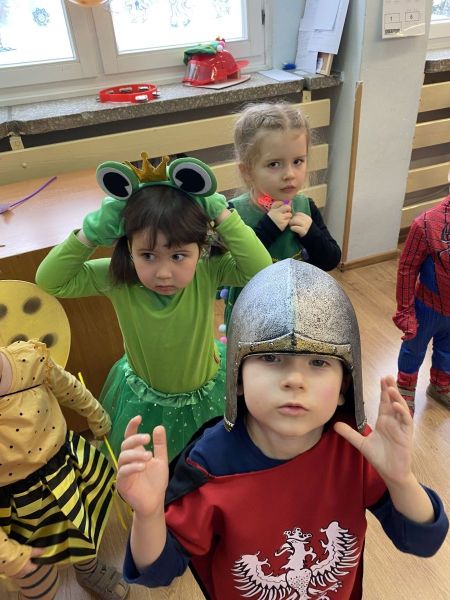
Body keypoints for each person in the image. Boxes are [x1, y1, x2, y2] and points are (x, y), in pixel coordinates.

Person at [116, 260, 448, 600]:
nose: (294, 380)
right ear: (237, 378)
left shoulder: (356, 449)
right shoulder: (209, 464)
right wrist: (149, 515)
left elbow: (423, 540)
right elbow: (157, 571)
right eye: (271, 358)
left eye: (318, 362)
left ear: (344, 386)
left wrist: (400, 479)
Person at [36, 154, 271, 461]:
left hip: (206, 389)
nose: (163, 273)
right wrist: (89, 233)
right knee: (153, 465)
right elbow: (50, 280)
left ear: (201, 249)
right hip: (146, 398)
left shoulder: (208, 270)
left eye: (178, 256)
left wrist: (222, 214)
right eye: (147, 255)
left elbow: (260, 268)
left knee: (209, 460)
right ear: (129, 249)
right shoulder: (118, 278)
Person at [0, 339, 128, 600]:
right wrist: (12, 558)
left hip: (63, 469)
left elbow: (70, 388)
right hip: (15, 503)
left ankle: (88, 570)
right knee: (35, 569)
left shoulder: (29, 359)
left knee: (80, 527)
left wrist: (96, 415)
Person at [222, 101, 341, 327]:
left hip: (299, 310)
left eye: (298, 161)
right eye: (274, 164)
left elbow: (331, 260)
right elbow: (225, 271)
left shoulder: (305, 206)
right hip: (252, 316)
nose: (289, 174)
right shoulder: (233, 214)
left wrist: (311, 234)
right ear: (247, 171)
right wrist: (267, 229)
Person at [393, 182, 450, 415]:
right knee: (413, 349)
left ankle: (440, 384)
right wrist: (405, 311)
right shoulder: (426, 224)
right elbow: (407, 269)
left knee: (447, 351)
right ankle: (405, 389)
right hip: (426, 308)